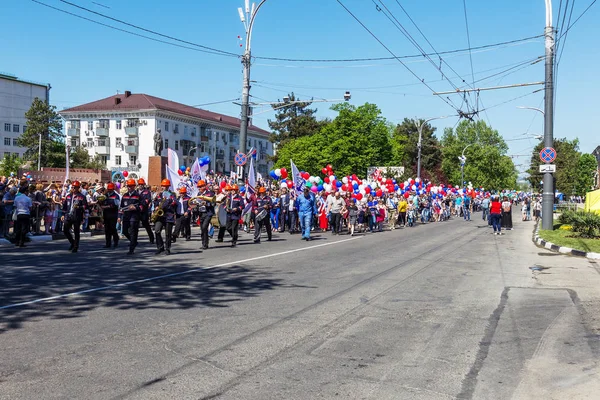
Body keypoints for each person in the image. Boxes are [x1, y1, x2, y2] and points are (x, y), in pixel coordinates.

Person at [61, 180, 88, 253]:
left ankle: (76, 246)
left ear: (78, 188)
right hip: (68, 215)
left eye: (75, 187)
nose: (73, 188)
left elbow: (85, 206)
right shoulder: (68, 196)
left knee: (76, 232)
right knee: (65, 230)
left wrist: (79, 207)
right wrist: (63, 214)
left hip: (77, 216)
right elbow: (65, 206)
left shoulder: (82, 197)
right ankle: (72, 242)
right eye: (72, 187)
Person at [153, 179, 177, 255]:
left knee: (168, 234)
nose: (164, 187)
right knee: (157, 230)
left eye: (166, 186)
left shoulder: (172, 195)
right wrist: (156, 206)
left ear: (168, 187)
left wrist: (165, 203)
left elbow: (174, 203)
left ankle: (167, 248)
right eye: (163, 186)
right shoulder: (159, 195)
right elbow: (155, 202)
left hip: (168, 216)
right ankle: (160, 247)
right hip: (160, 216)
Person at [119, 179, 143, 255]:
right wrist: (119, 216)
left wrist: (136, 208)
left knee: (133, 232)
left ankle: (131, 249)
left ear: (134, 186)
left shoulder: (138, 195)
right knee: (124, 231)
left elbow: (142, 206)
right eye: (128, 186)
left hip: (134, 216)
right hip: (126, 215)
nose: (128, 187)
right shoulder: (124, 195)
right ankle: (134, 242)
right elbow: (121, 207)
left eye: (130, 186)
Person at [195, 180, 215, 250]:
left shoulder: (210, 193)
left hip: (208, 213)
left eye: (200, 187)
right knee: (202, 229)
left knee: (204, 227)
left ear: (204, 186)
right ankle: (204, 242)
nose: (199, 188)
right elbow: (197, 203)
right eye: (199, 187)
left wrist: (206, 204)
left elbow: (213, 203)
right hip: (201, 213)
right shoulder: (198, 194)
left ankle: (205, 243)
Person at [100, 182, 120, 248]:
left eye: (111, 189)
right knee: (107, 229)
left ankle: (115, 241)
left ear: (113, 189)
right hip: (106, 214)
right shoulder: (105, 195)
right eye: (109, 189)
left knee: (113, 228)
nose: (109, 190)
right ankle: (108, 243)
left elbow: (116, 205)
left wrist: (106, 207)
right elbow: (102, 202)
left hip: (113, 215)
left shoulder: (116, 196)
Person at [137, 178, 155, 244]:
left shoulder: (147, 192)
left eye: (141, 184)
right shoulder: (136, 192)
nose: (140, 185)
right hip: (137, 211)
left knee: (146, 225)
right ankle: (133, 241)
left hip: (144, 211)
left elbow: (148, 200)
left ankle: (151, 238)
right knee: (135, 226)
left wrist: (142, 204)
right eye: (139, 184)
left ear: (144, 184)